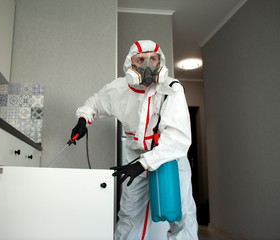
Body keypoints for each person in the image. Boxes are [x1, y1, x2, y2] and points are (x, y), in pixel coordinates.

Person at [70, 40, 198, 239]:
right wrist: (83, 119)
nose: (148, 65)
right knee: (129, 216)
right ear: (131, 64)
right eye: (141, 59)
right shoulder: (117, 89)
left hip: (168, 159)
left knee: (181, 215)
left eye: (153, 59)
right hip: (135, 158)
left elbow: (176, 138)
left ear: (159, 62)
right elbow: (95, 102)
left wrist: (144, 164)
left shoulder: (171, 88)